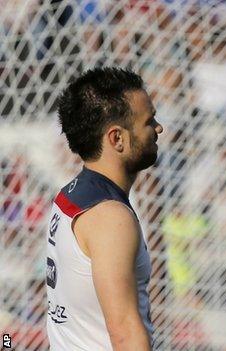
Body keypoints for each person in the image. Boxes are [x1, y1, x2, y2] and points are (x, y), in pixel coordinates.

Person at [46, 67, 163, 350]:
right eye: (149, 121)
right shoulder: (110, 218)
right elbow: (124, 332)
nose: (159, 128)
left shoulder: (71, 195)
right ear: (116, 139)